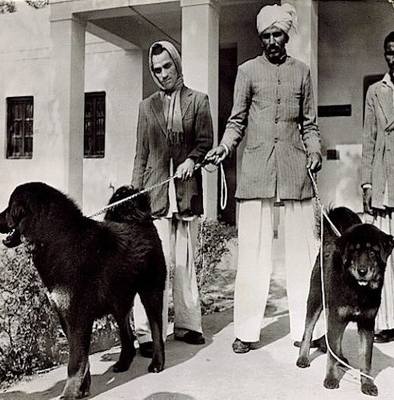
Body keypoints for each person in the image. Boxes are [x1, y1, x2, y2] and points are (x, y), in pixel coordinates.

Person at [205, 3, 324, 353]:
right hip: (256, 172)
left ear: (286, 36)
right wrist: (225, 147)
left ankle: (306, 328)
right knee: (253, 255)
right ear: (261, 37)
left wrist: (314, 151)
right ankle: (246, 331)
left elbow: (310, 124)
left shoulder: (302, 73)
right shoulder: (247, 72)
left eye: (278, 34)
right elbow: (236, 120)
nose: (272, 40)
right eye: (266, 35)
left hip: (294, 172)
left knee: (303, 253)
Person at [131, 41, 214, 357]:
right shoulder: (146, 106)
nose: (163, 73)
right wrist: (134, 198)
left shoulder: (198, 101)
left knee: (185, 262)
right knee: (153, 267)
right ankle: (148, 333)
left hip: (186, 193)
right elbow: (141, 155)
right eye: (157, 69)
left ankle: (188, 325)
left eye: (167, 66)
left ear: (177, 65)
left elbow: (205, 142)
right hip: (154, 196)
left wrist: (193, 158)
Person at [361, 31, 394, 344]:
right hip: (384, 182)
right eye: (389, 52)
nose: (392, 58)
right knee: (384, 256)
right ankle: (386, 323)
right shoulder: (375, 92)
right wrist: (367, 183)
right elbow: (369, 139)